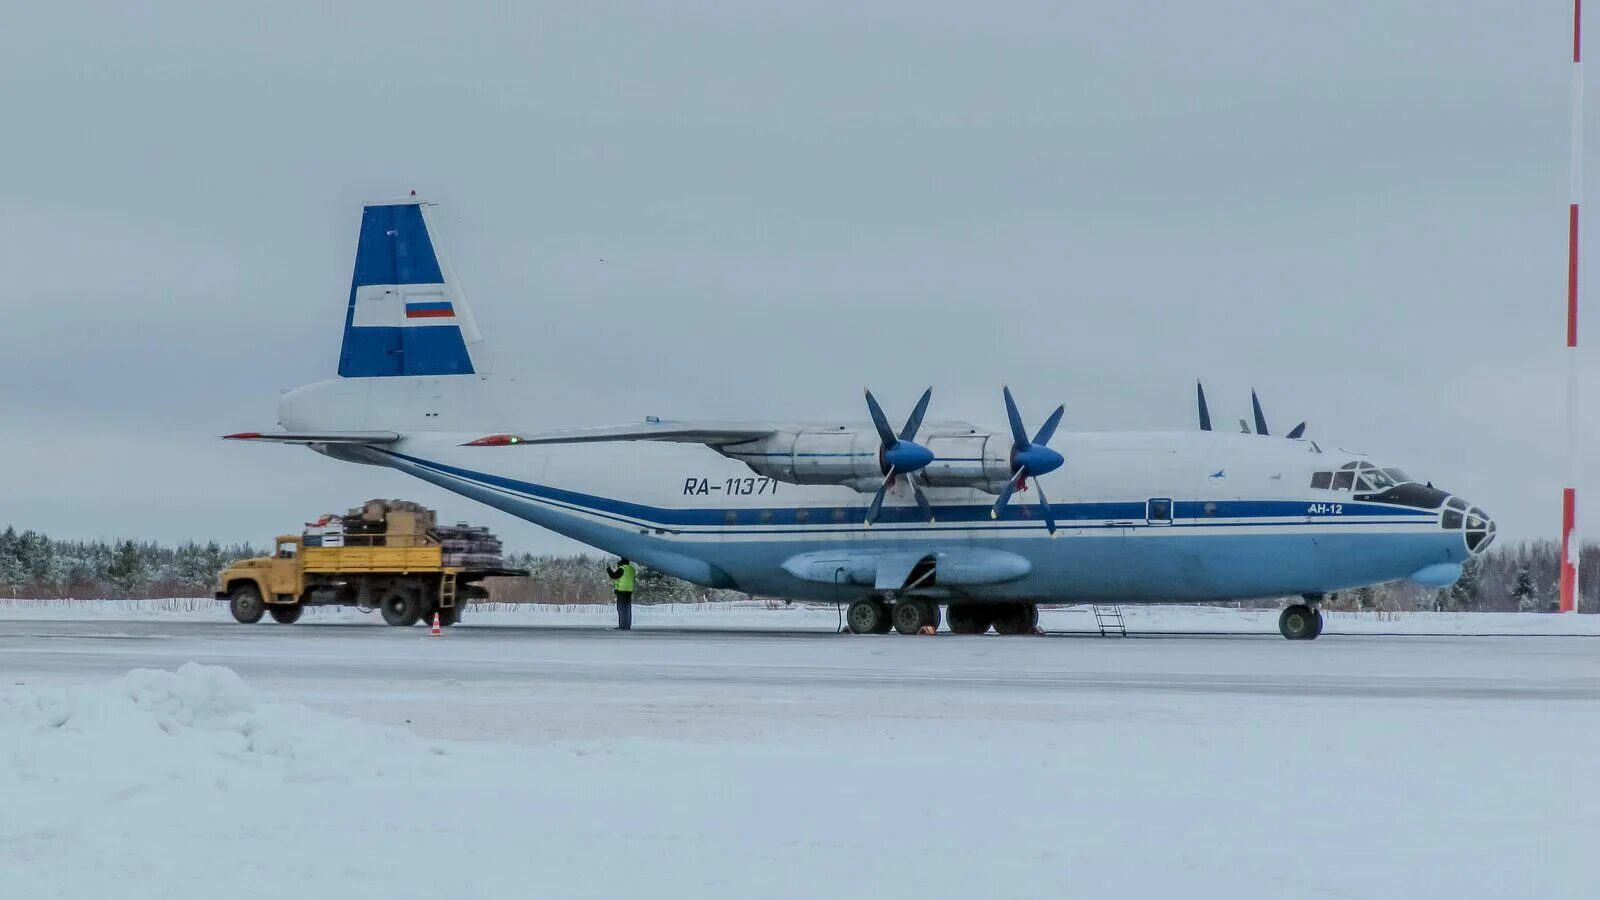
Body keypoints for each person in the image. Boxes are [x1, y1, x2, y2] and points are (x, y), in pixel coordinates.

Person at [606, 557, 637, 630]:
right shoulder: (632, 569)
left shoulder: (622, 568)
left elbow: (613, 576)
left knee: (621, 609)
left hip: (621, 591)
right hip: (629, 591)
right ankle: (627, 625)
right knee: (627, 609)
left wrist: (608, 569)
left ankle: (622, 626)